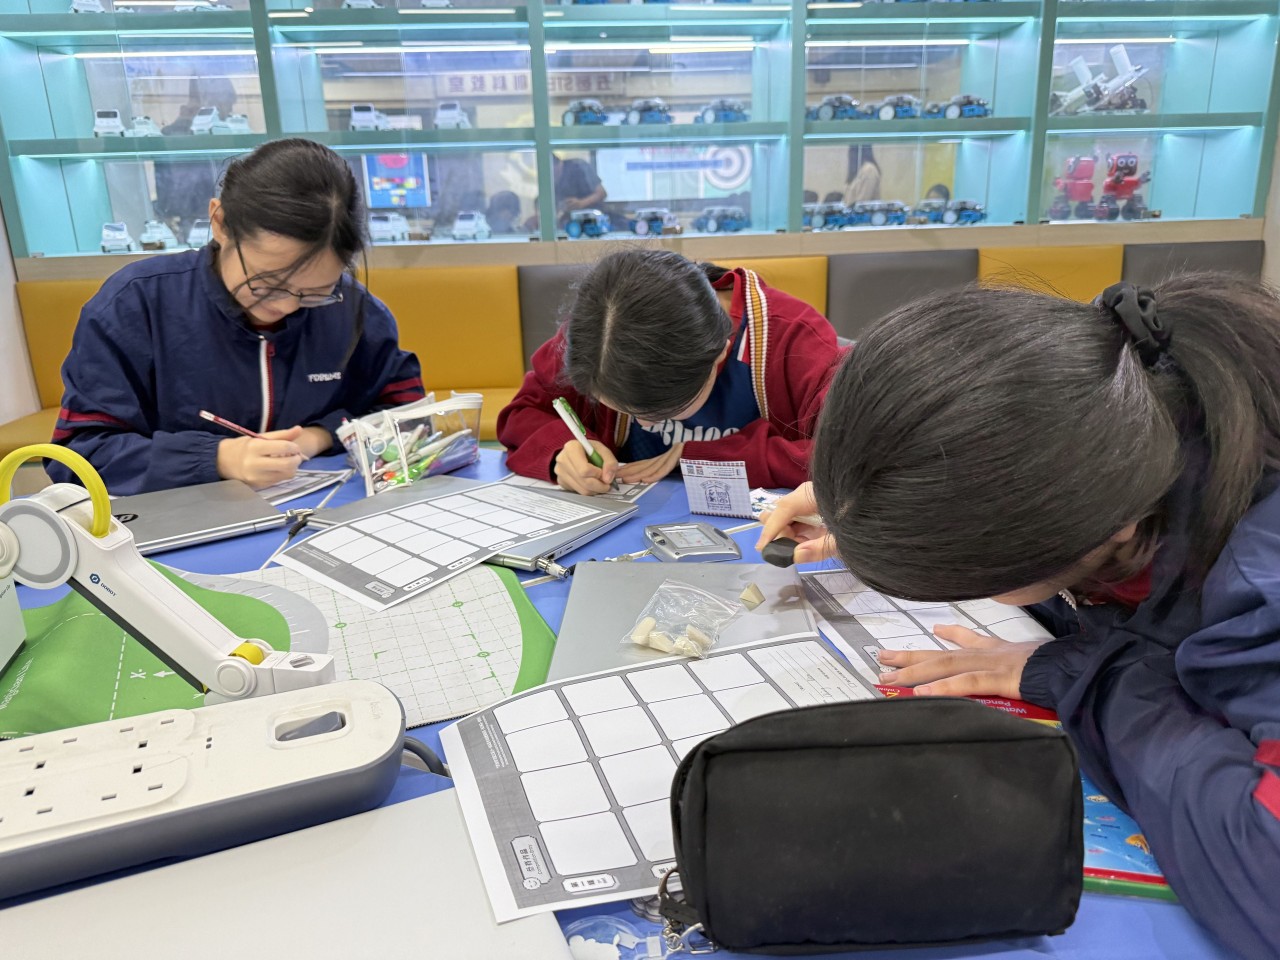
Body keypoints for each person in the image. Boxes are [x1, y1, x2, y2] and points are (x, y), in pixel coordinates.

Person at [758, 275, 1280, 959]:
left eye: (980, 578)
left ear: (1101, 525)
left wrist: (1094, 677)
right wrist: (878, 514)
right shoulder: (1123, 400)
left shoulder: (1261, 575)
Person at [51, 138, 424, 495]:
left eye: (315, 292)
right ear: (221, 223)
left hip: (321, 514)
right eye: (266, 284)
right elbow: (78, 455)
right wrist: (216, 458)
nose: (287, 307)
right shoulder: (135, 305)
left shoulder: (355, 310)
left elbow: (405, 418)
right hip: (179, 522)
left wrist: (320, 436)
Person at [498, 249, 843, 495]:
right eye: (621, 409)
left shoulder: (793, 340)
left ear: (719, 354)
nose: (644, 425)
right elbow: (523, 413)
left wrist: (699, 455)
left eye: (661, 412)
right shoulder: (598, 337)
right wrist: (563, 449)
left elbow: (847, 454)